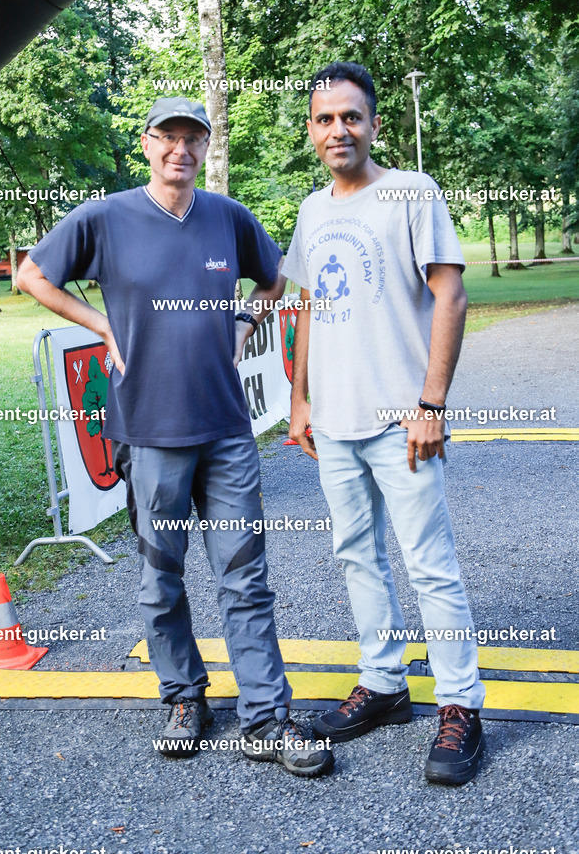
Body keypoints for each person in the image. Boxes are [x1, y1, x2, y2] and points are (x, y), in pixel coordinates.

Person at [17, 96, 333, 778]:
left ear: (205, 147)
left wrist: (244, 326)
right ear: (147, 143)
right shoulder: (106, 218)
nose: (180, 150)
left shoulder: (228, 217)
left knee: (245, 578)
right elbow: (31, 275)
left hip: (226, 432)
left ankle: (266, 718)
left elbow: (276, 280)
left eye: (193, 138)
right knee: (161, 580)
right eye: (168, 137)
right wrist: (101, 326)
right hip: (150, 433)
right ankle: (185, 697)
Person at [283, 62, 485, 785]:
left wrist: (431, 405)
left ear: (373, 124)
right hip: (334, 422)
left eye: (351, 116)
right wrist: (300, 399)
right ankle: (384, 683)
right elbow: (308, 307)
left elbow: (450, 296)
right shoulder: (312, 210)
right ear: (312, 131)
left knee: (430, 564)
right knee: (356, 556)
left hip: (404, 420)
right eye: (324, 119)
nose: (338, 129)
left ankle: (460, 705)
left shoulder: (411, 192)